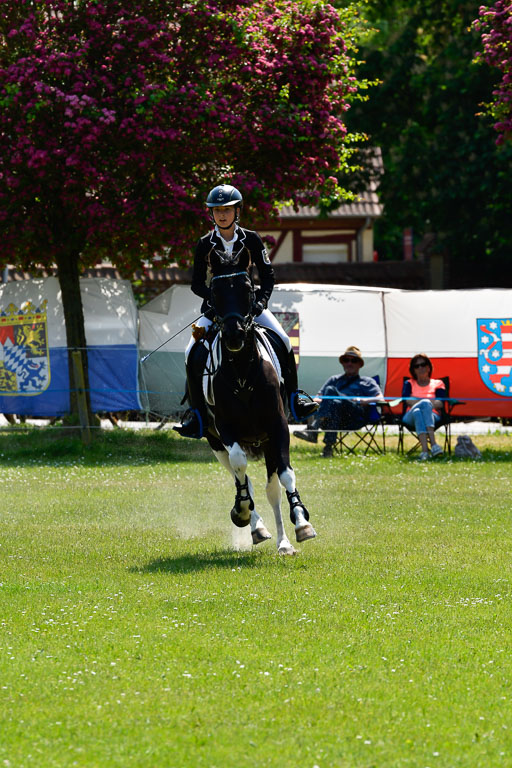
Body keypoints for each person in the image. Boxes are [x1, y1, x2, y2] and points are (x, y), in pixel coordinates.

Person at [174, 184, 317, 438]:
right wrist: (215, 300)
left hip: (249, 308)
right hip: (218, 310)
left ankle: (295, 399)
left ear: (236, 211)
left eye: (227, 210)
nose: (222, 215)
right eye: (217, 210)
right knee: (190, 352)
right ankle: (196, 417)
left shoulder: (251, 239)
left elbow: (268, 275)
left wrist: (261, 301)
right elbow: (197, 284)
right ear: (211, 214)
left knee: (283, 340)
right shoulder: (204, 244)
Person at [295, 345, 384, 457]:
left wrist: (361, 400)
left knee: (330, 390)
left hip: (355, 416)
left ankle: (313, 429)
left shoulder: (367, 382)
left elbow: (380, 398)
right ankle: (328, 448)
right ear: (342, 363)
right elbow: (318, 398)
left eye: (354, 360)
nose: (349, 363)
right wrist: (315, 402)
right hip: (334, 416)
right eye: (346, 360)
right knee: (334, 404)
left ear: (359, 364)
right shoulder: (334, 379)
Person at [402, 353, 446, 460]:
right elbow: (407, 401)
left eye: (423, 364)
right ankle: (434, 444)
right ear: (413, 370)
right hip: (409, 416)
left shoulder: (438, 383)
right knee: (424, 404)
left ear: (428, 367)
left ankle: (425, 452)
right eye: (417, 366)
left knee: (418, 411)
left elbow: (440, 403)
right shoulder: (408, 383)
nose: (420, 368)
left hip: (433, 416)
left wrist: (419, 402)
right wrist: (428, 402)